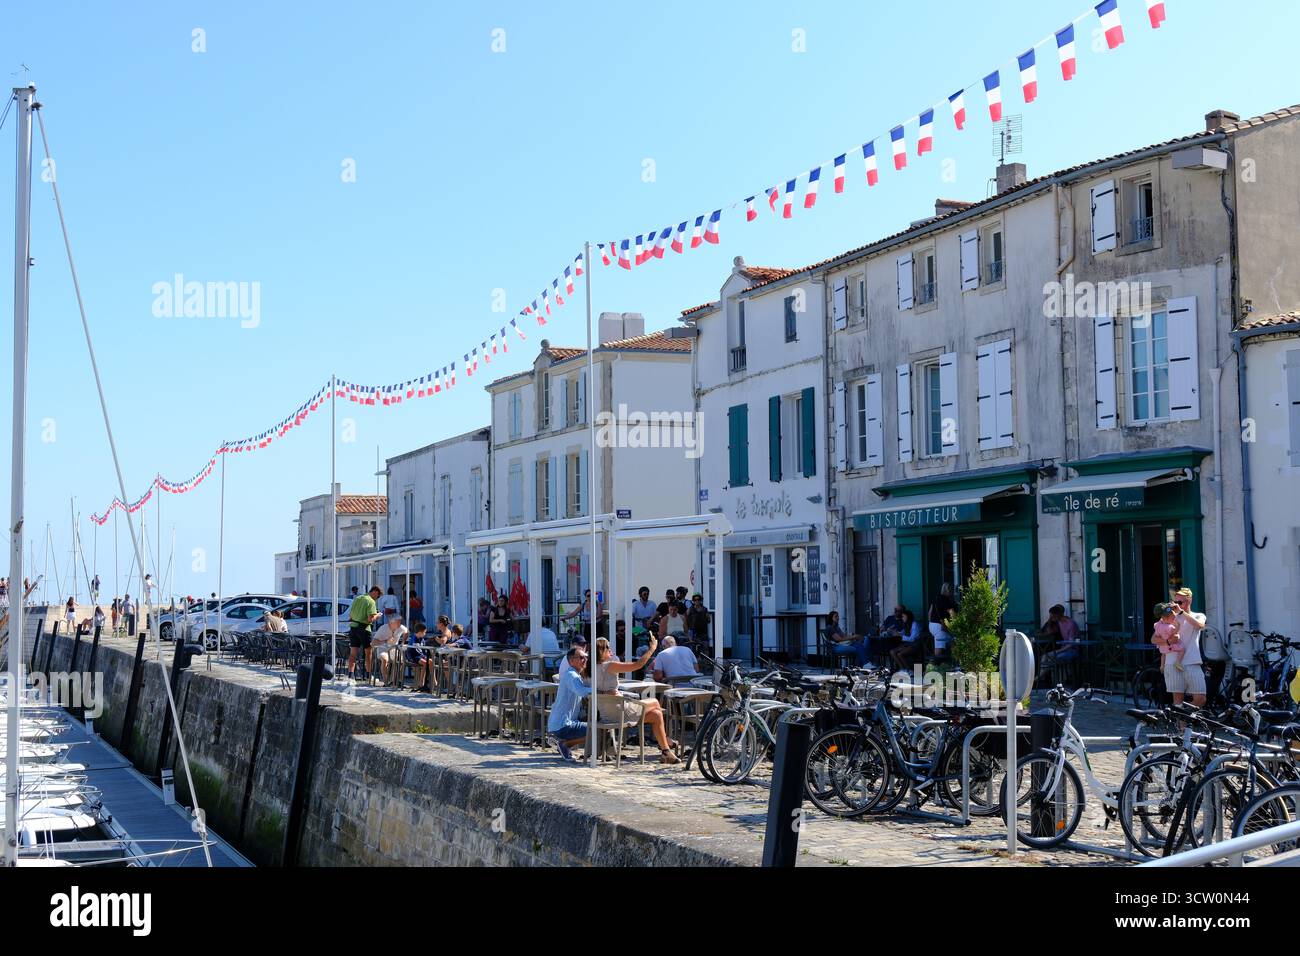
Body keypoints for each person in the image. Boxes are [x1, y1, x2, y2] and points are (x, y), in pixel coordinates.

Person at [590, 636, 679, 763]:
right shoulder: (609, 666)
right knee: (654, 702)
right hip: (620, 712)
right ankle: (666, 741)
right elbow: (638, 665)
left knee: (656, 714)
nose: (611, 650)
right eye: (608, 647)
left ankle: (665, 750)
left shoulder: (589, 669)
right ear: (601, 651)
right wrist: (652, 649)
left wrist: (603, 692)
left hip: (605, 713)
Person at [547, 646, 594, 761]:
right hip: (563, 725)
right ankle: (565, 744)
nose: (585, 660)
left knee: (594, 726)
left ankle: (563, 743)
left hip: (560, 723)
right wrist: (598, 690)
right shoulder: (571, 675)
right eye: (582, 658)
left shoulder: (574, 675)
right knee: (595, 729)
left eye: (586, 657)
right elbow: (582, 692)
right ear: (572, 661)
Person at [1169, 587, 1208, 707]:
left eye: (1180, 602)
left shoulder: (1198, 615)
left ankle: (1184, 717)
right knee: (1178, 699)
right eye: (1176, 602)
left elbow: (1200, 625)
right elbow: (1155, 638)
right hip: (1174, 661)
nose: (1177, 605)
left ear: (1189, 601)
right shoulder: (1171, 617)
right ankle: (1182, 726)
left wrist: (1181, 612)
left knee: (1200, 699)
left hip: (1192, 661)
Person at [1037, 604, 1082, 683]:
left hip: (1072, 650)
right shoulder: (1059, 623)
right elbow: (1048, 631)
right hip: (1064, 648)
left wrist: (1058, 651)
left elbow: (1071, 644)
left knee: (1052, 656)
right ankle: (1040, 677)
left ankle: (1039, 678)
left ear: (1058, 615)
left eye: (1052, 616)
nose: (1051, 618)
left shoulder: (1071, 624)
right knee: (1045, 655)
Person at [346, 585, 382, 680]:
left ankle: (351, 674)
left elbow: (350, 615)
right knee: (368, 652)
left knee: (353, 652)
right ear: (375, 592)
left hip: (353, 627)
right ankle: (368, 674)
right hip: (364, 628)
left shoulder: (357, 598)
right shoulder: (371, 601)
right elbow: (370, 619)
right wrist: (377, 615)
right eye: (377, 596)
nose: (377, 598)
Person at [372, 610, 408, 685]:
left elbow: (407, 632)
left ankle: (394, 680)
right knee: (385, 659)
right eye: (397, 622)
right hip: (383, 648)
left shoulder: (401, 627)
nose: (399, 624)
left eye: (400, 622)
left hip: (394, 649)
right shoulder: (383, 628)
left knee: (400, 661)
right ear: (391, 622)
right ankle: (385, 681)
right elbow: (373, 642)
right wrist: (385, 641)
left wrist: (403, 642)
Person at [928, 583, 957, 656]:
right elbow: (952, 613)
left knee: (952, 642)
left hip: (932, 625)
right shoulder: (945, 599)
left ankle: (955, 663)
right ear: (949, 590)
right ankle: (934, 666)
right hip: (939, 626)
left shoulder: (936, 598)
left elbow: (930, 613)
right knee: (939, 650)